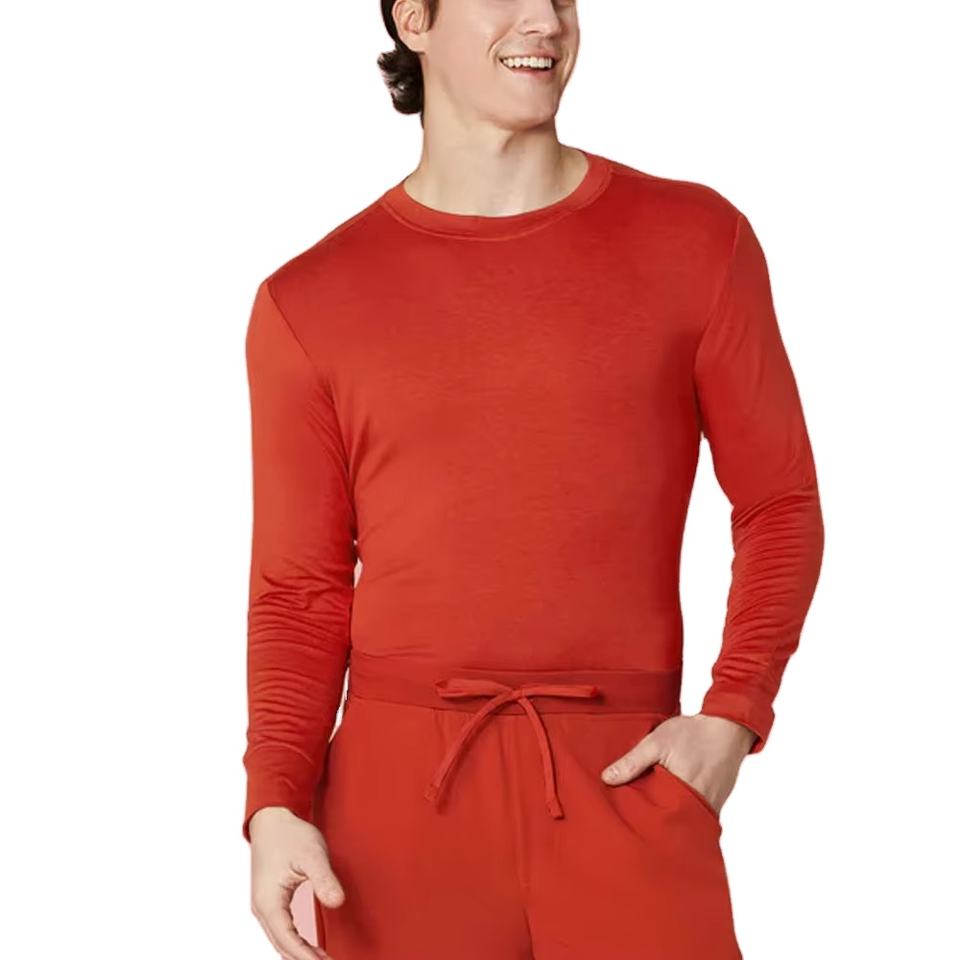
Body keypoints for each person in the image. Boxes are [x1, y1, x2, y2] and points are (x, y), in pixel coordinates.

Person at [241, 1, 825, 958]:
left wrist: (733, 715)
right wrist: (273, 802)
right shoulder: (308, 299)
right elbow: (299, 592)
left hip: (625, 774)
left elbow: (778, 504)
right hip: (395, 809)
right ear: (414, 18)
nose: (542, 21)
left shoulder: (696, 240)